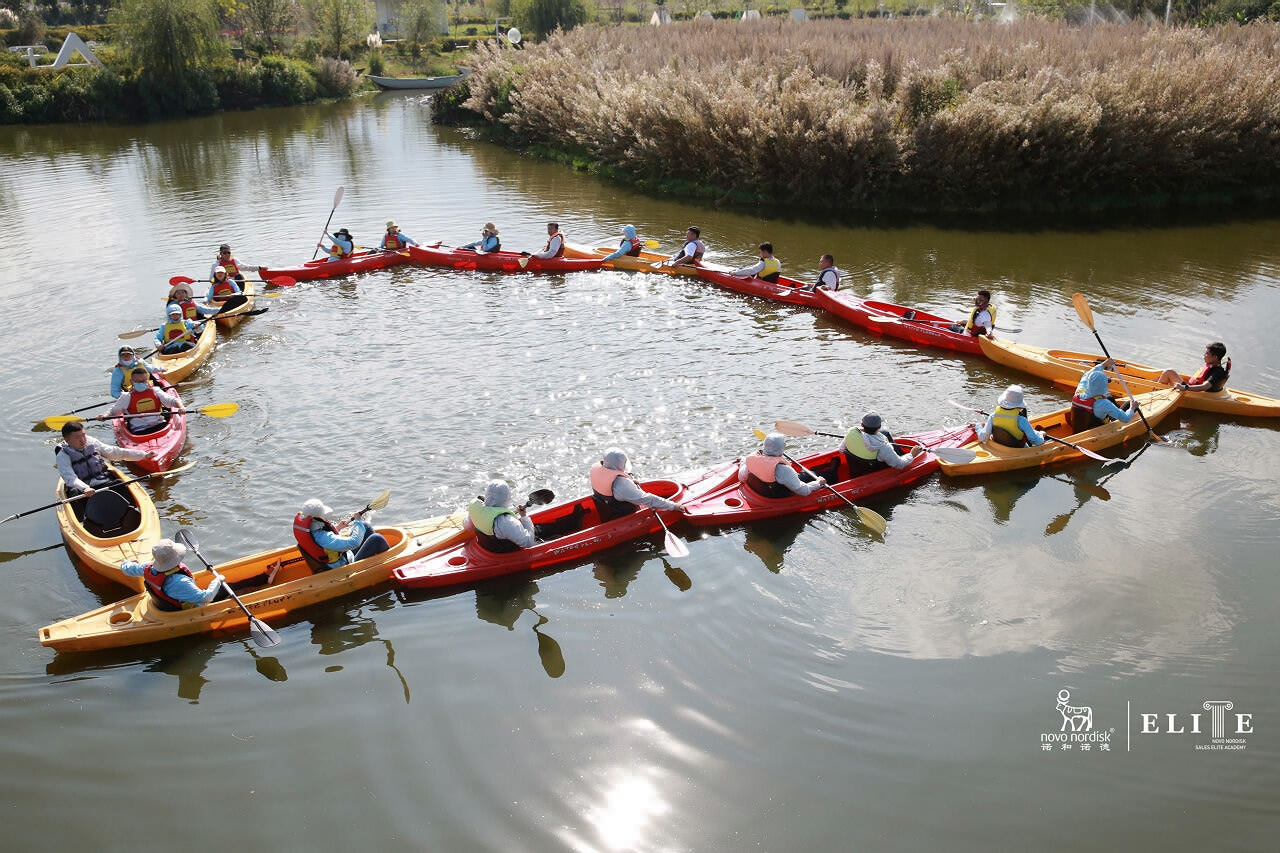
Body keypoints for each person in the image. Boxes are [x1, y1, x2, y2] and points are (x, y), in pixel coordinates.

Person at [122, 539, 229, 611]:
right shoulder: (180, 582)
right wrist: (218, 580)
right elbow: (206, 597)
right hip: (188, 610)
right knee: (230, 587)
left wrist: (128, 562)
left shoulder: (147, 568)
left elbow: (127, 568)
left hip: (161, 605)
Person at [55, 421, 153, 496]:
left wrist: (143, 455)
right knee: (73, 492)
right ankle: (82, 521)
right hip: (83, 489)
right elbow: (70, 477)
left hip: (102, 481)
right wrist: (85, 488)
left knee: (119, 483)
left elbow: (116, 453)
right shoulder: (63, 455)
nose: (82, 440)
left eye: (83, 435)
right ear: (67, 440)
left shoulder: (92, 443)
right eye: (77, 437)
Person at [292, 498, 390, 571]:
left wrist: (338, 528)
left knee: (366, 526)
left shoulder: (312, 531)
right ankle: (388, 563)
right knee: (377, 539)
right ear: (318, 519)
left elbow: (325, 544)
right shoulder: (323, 537)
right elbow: (354, 542)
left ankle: (374, 562)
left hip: (342, 558)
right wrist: (358, 521)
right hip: (344, 567)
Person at [591, 447, 682, 521]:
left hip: (605, 511)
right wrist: (673, 506)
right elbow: (649, 500)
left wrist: (630, 482)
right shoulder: (621, 485)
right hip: (621, 516)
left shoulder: (596, 468)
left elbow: (613, 485)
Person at [739, 433, 827, 498]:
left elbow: (741, 477)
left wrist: (743, 460)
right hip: (777, 494)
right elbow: (803, 491)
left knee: (805, 474)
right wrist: (818, 483)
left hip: (759, 491)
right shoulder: (783, 469)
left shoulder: (750, 458)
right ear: (782, 446)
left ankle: (828, 469)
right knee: (811, 475)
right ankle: (832, 473)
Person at [103, 367, 182, 435]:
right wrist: (105, 416)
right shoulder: (126, 396)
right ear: (131, 382)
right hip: (138, 431)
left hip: (159, 425)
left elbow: (173, 401)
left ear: (148, 380)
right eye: (137, 382)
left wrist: (181, 407)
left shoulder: (156, 391)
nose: (141, 383)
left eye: (144, 381)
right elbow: (113, 411)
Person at [841, 412, 923, 474]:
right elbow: (899, 464)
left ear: (862, 424)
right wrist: (912, 454)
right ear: (879, 427)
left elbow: (841, 449)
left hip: (855, 469)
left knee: (885, 433)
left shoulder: (851, 431)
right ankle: (900, 455)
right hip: (872, 471)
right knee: (889, 449)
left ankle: (899, 454)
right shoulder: (883, 446)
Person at [467, 480, 537, 552]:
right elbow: (528, 543)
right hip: (504, 554)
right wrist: (524, 517)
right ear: (507, 497)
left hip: (483, 547)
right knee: (541, 529)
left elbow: (467, 526)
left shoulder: (476, 507)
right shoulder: (507, 522)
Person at [1070, 358, 1136, 431]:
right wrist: (1132, 408)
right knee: (1128, 404)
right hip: (1096, 430)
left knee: (1110, 398)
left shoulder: (1079, 390)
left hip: (1080, 426)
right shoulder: (1103, 403)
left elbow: (1086, 375)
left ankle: (1116, 411)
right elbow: (1126, 419)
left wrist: (1103, 364)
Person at [976, 386, 1046, 448]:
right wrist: (1041, 435)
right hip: (1018, 449)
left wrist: (978, 427)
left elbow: (983, 437)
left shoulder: (993, 416)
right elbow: (1037, 442)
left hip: (998, 445)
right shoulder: (1022, 420)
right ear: (1019, 405)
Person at [1158, 342, 1231, 392]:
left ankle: (1156, 391)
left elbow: (1204, 387)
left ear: (1215, 357)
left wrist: (1183, 387)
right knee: (1163, 375)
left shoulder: (1217, 372)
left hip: (1193, 392)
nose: (1204, 355)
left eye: (1207, 353)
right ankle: (1157, 384)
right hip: (1191, 387)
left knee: (1168, 372)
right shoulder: (1214, 366)